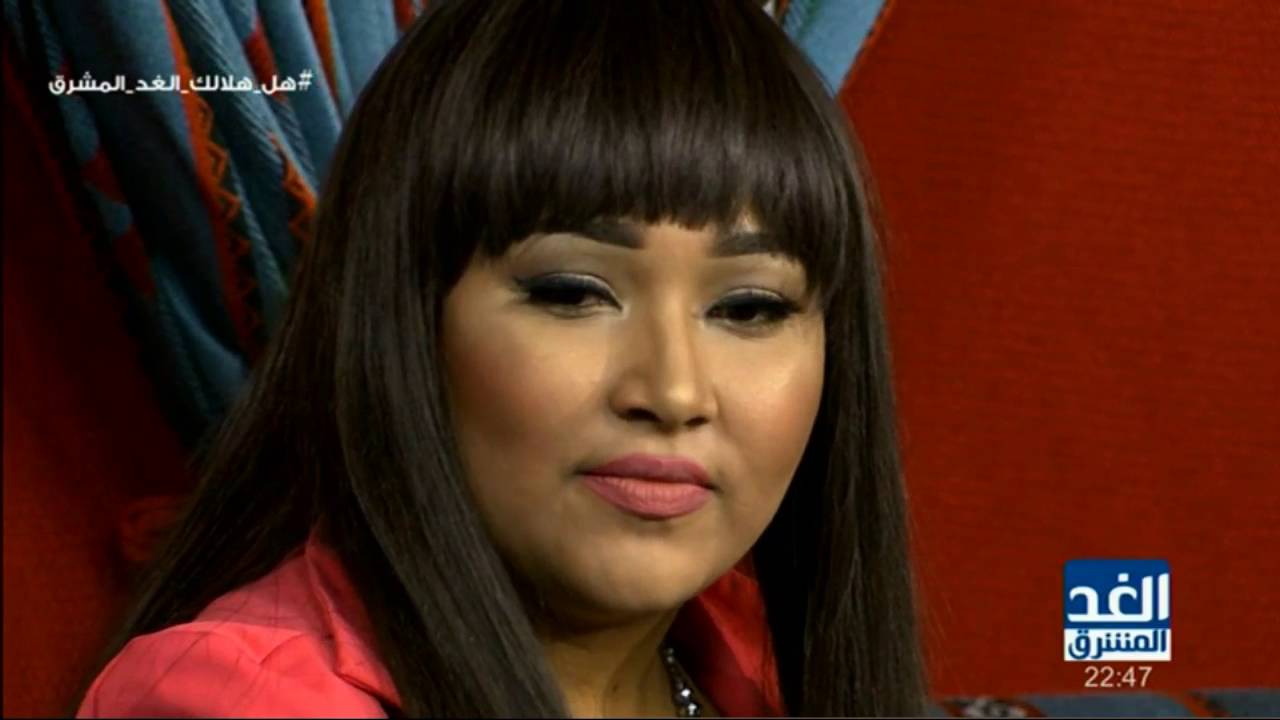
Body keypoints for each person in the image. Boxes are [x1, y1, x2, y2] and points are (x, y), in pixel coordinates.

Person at [73, 0, 925, 716]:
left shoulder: (750, 652)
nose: (673, 389)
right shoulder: (242, 703)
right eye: (572, 293)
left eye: (750, 307)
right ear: (403, 324)